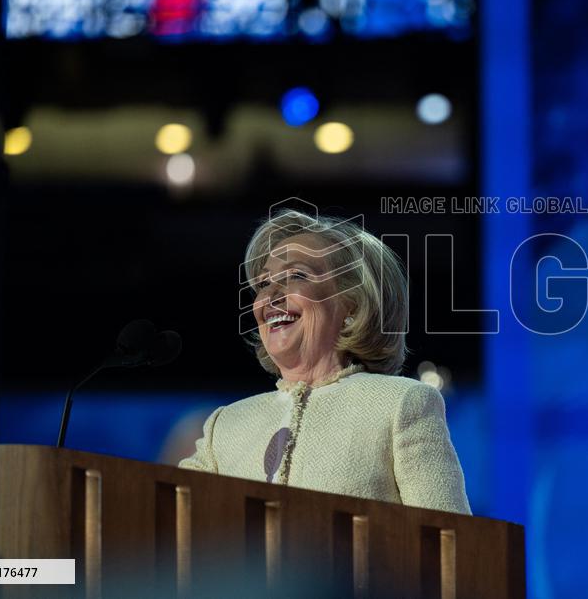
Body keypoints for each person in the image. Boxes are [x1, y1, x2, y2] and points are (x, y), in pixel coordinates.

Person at [179, 209, 471, 515]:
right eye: (264, 283)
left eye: (297, 276)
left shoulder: (399, 404)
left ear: (353, 305)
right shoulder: (225, 426)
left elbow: (453, 542)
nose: (270, 296)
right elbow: (167, 523)